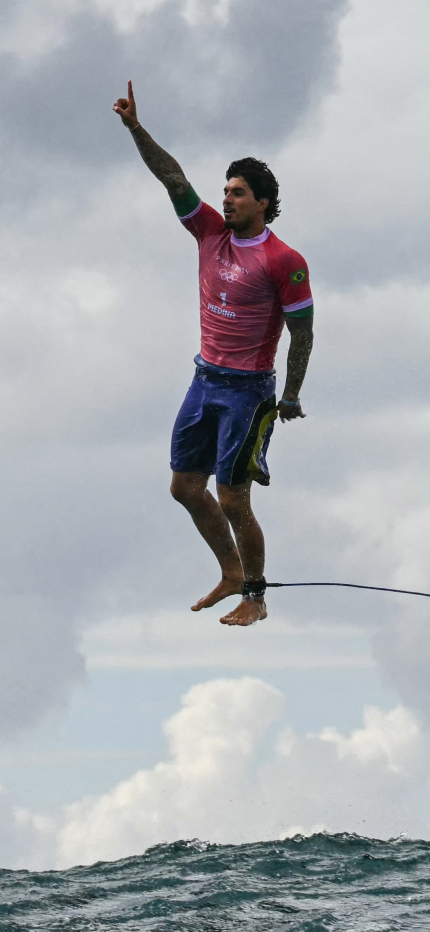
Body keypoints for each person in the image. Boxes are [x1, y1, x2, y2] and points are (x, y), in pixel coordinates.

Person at [113, 81, 314, 627]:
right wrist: (135, 128)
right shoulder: (208, 233)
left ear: (263, 203)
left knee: (232, 497)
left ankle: (256, 595)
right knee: (184, 487)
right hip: (204, 380)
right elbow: (172, 177)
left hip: (248, 392)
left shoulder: (283, 260)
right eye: (225, 191)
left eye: (238, 193)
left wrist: (291, 394)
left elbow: (303, 332)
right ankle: (229, 571)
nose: (226, 199)